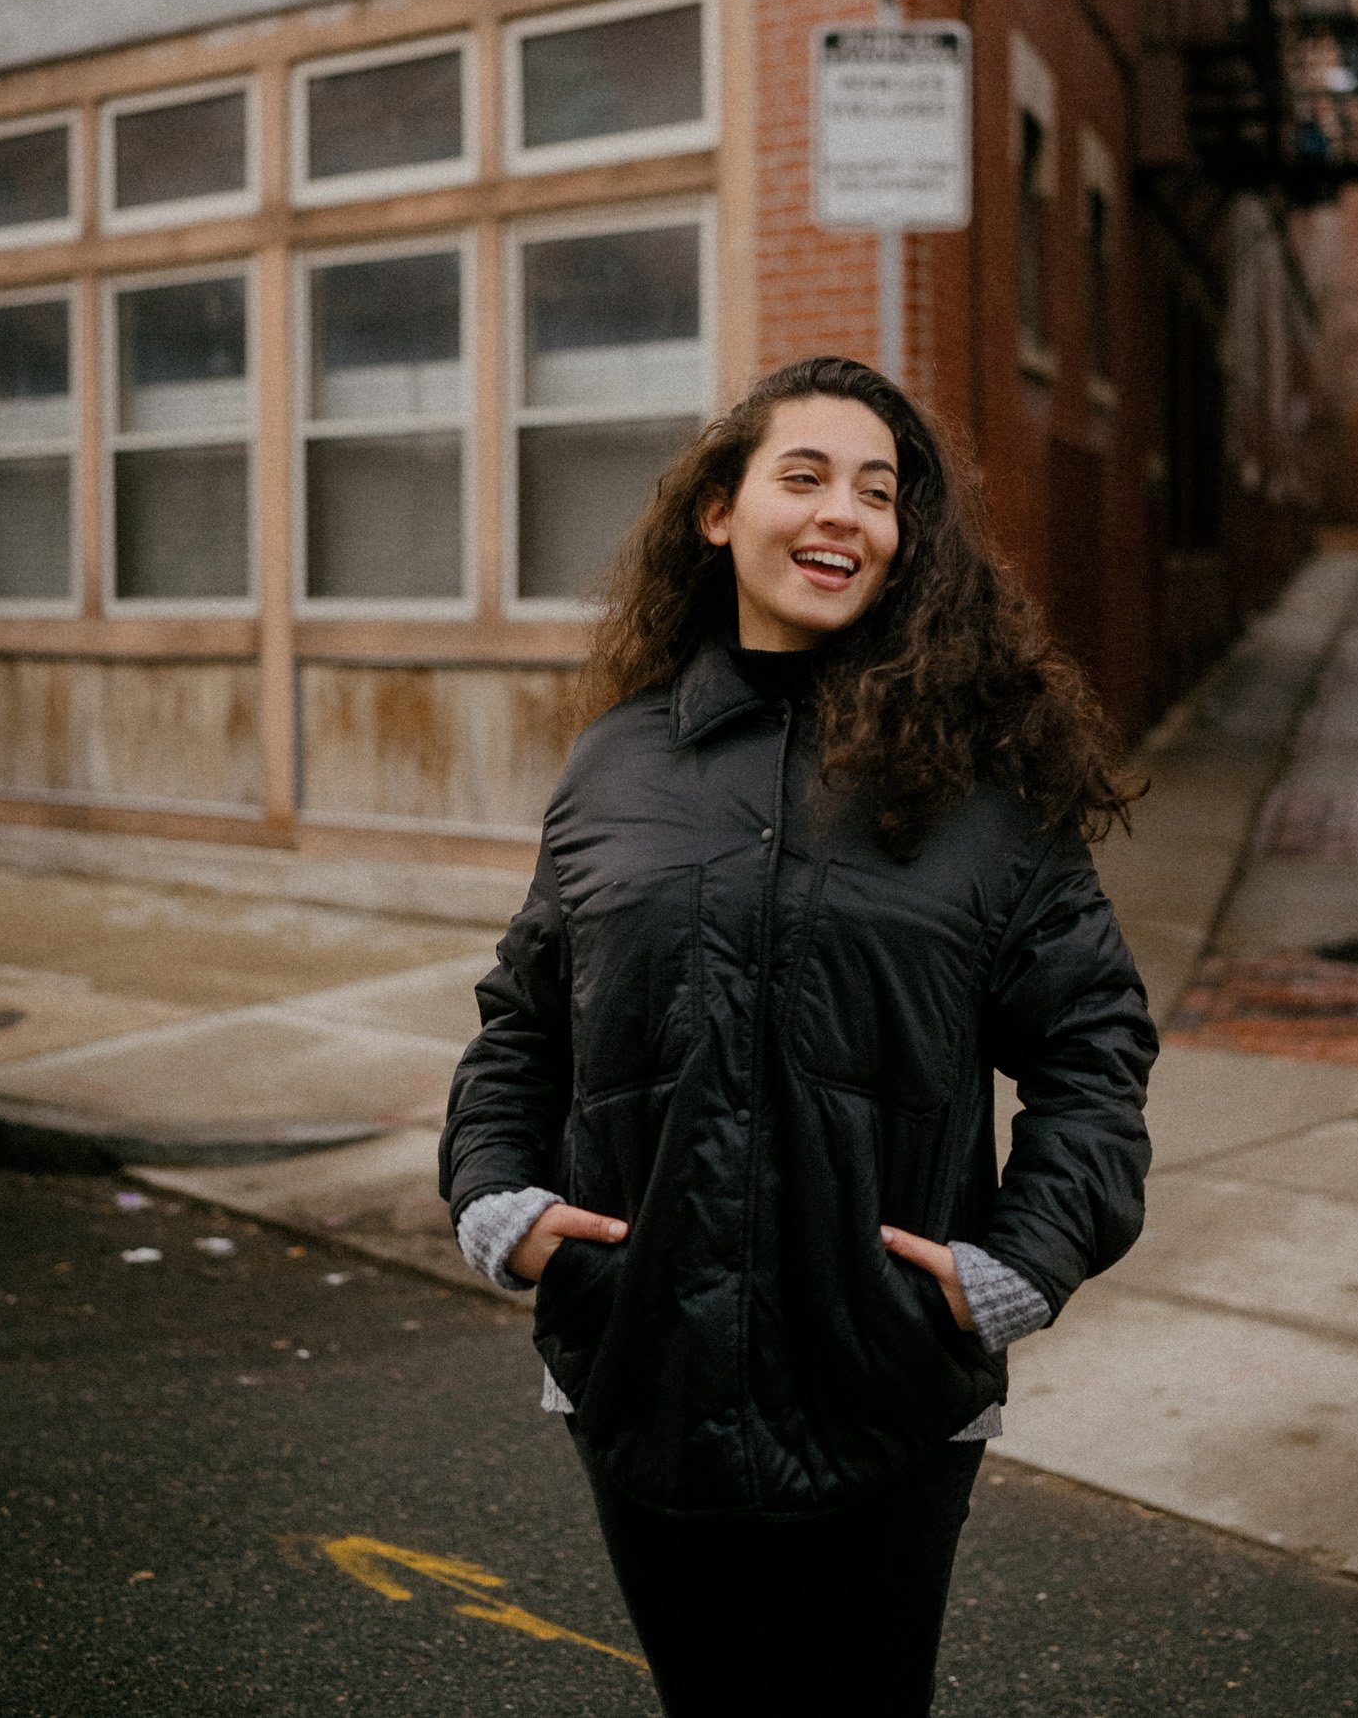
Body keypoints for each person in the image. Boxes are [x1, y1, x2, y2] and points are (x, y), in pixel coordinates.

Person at [440, 355, 1156, 1716]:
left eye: (880, 494)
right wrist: (495, 1198)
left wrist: (1019, 1260)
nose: (845, 515)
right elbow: (526, 1017)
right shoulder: (618, 764)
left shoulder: (981, 782)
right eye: (807, 476)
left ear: (908, 540)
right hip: (641, 1365)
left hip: (885, 1377)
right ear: (718, 510)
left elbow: (1094, 1045)